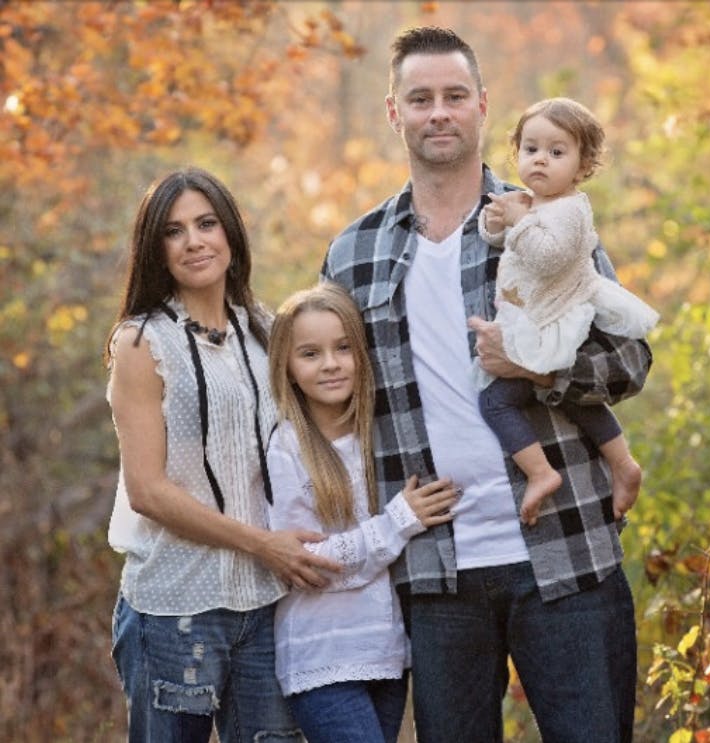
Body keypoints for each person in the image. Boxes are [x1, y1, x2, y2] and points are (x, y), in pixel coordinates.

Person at [321, 26, 653, 743]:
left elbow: (630, 361)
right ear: (393, 112)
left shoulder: (545, 224)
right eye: (419, 99)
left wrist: (539, 370)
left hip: (566, 557)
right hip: (437, 573)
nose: (437, 111)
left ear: (481, 107)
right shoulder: (354, 251)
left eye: (453, 96)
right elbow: (324, 401)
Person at [105, 167, 340, 743]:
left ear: (230, 233)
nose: (194, 241)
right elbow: (148, 491)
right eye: (174, 230)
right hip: (174, 609)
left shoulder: (263, 329)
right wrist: (264, 544)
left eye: (206, 223)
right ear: (157, 250)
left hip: (265, 606)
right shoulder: (141, 343)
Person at [266, 283, 459, 743]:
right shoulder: (286, 447)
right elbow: (308, 565)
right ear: (288, 369)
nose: (330, 364)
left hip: (387, 656)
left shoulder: (383, 440)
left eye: (343, 348)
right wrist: (397, 521)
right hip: (323, 662)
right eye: (310, 354)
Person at [476, 96, 659, 526]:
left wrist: (519, 223)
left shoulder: (572, 211)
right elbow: (504, 244)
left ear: (582, 166)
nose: (541, 160)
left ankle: (540, 474)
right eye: (531, 149)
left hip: (555, 321)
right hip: (537, 315)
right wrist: (496, 223)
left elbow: (547, 257)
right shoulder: (533, 203)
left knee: (498, 401)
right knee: (573, 400)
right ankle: (623, 463)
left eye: (556, 153)